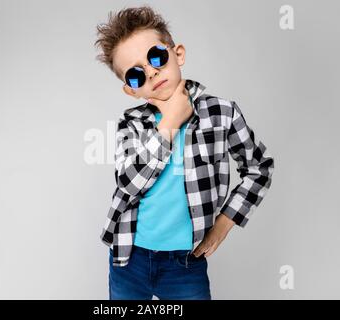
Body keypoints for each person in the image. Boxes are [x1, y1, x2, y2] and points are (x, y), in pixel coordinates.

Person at [94, 5, 275, 300]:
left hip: (184, 265)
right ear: (131, 89)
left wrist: (224, 224)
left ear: (177, 54)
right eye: (137, 74)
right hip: (130, 258)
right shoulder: (132, 123)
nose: (152, 71)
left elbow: (259, 168)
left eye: (156, 57)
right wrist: (170, 122)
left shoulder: (222, 113)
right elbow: (128, 184)